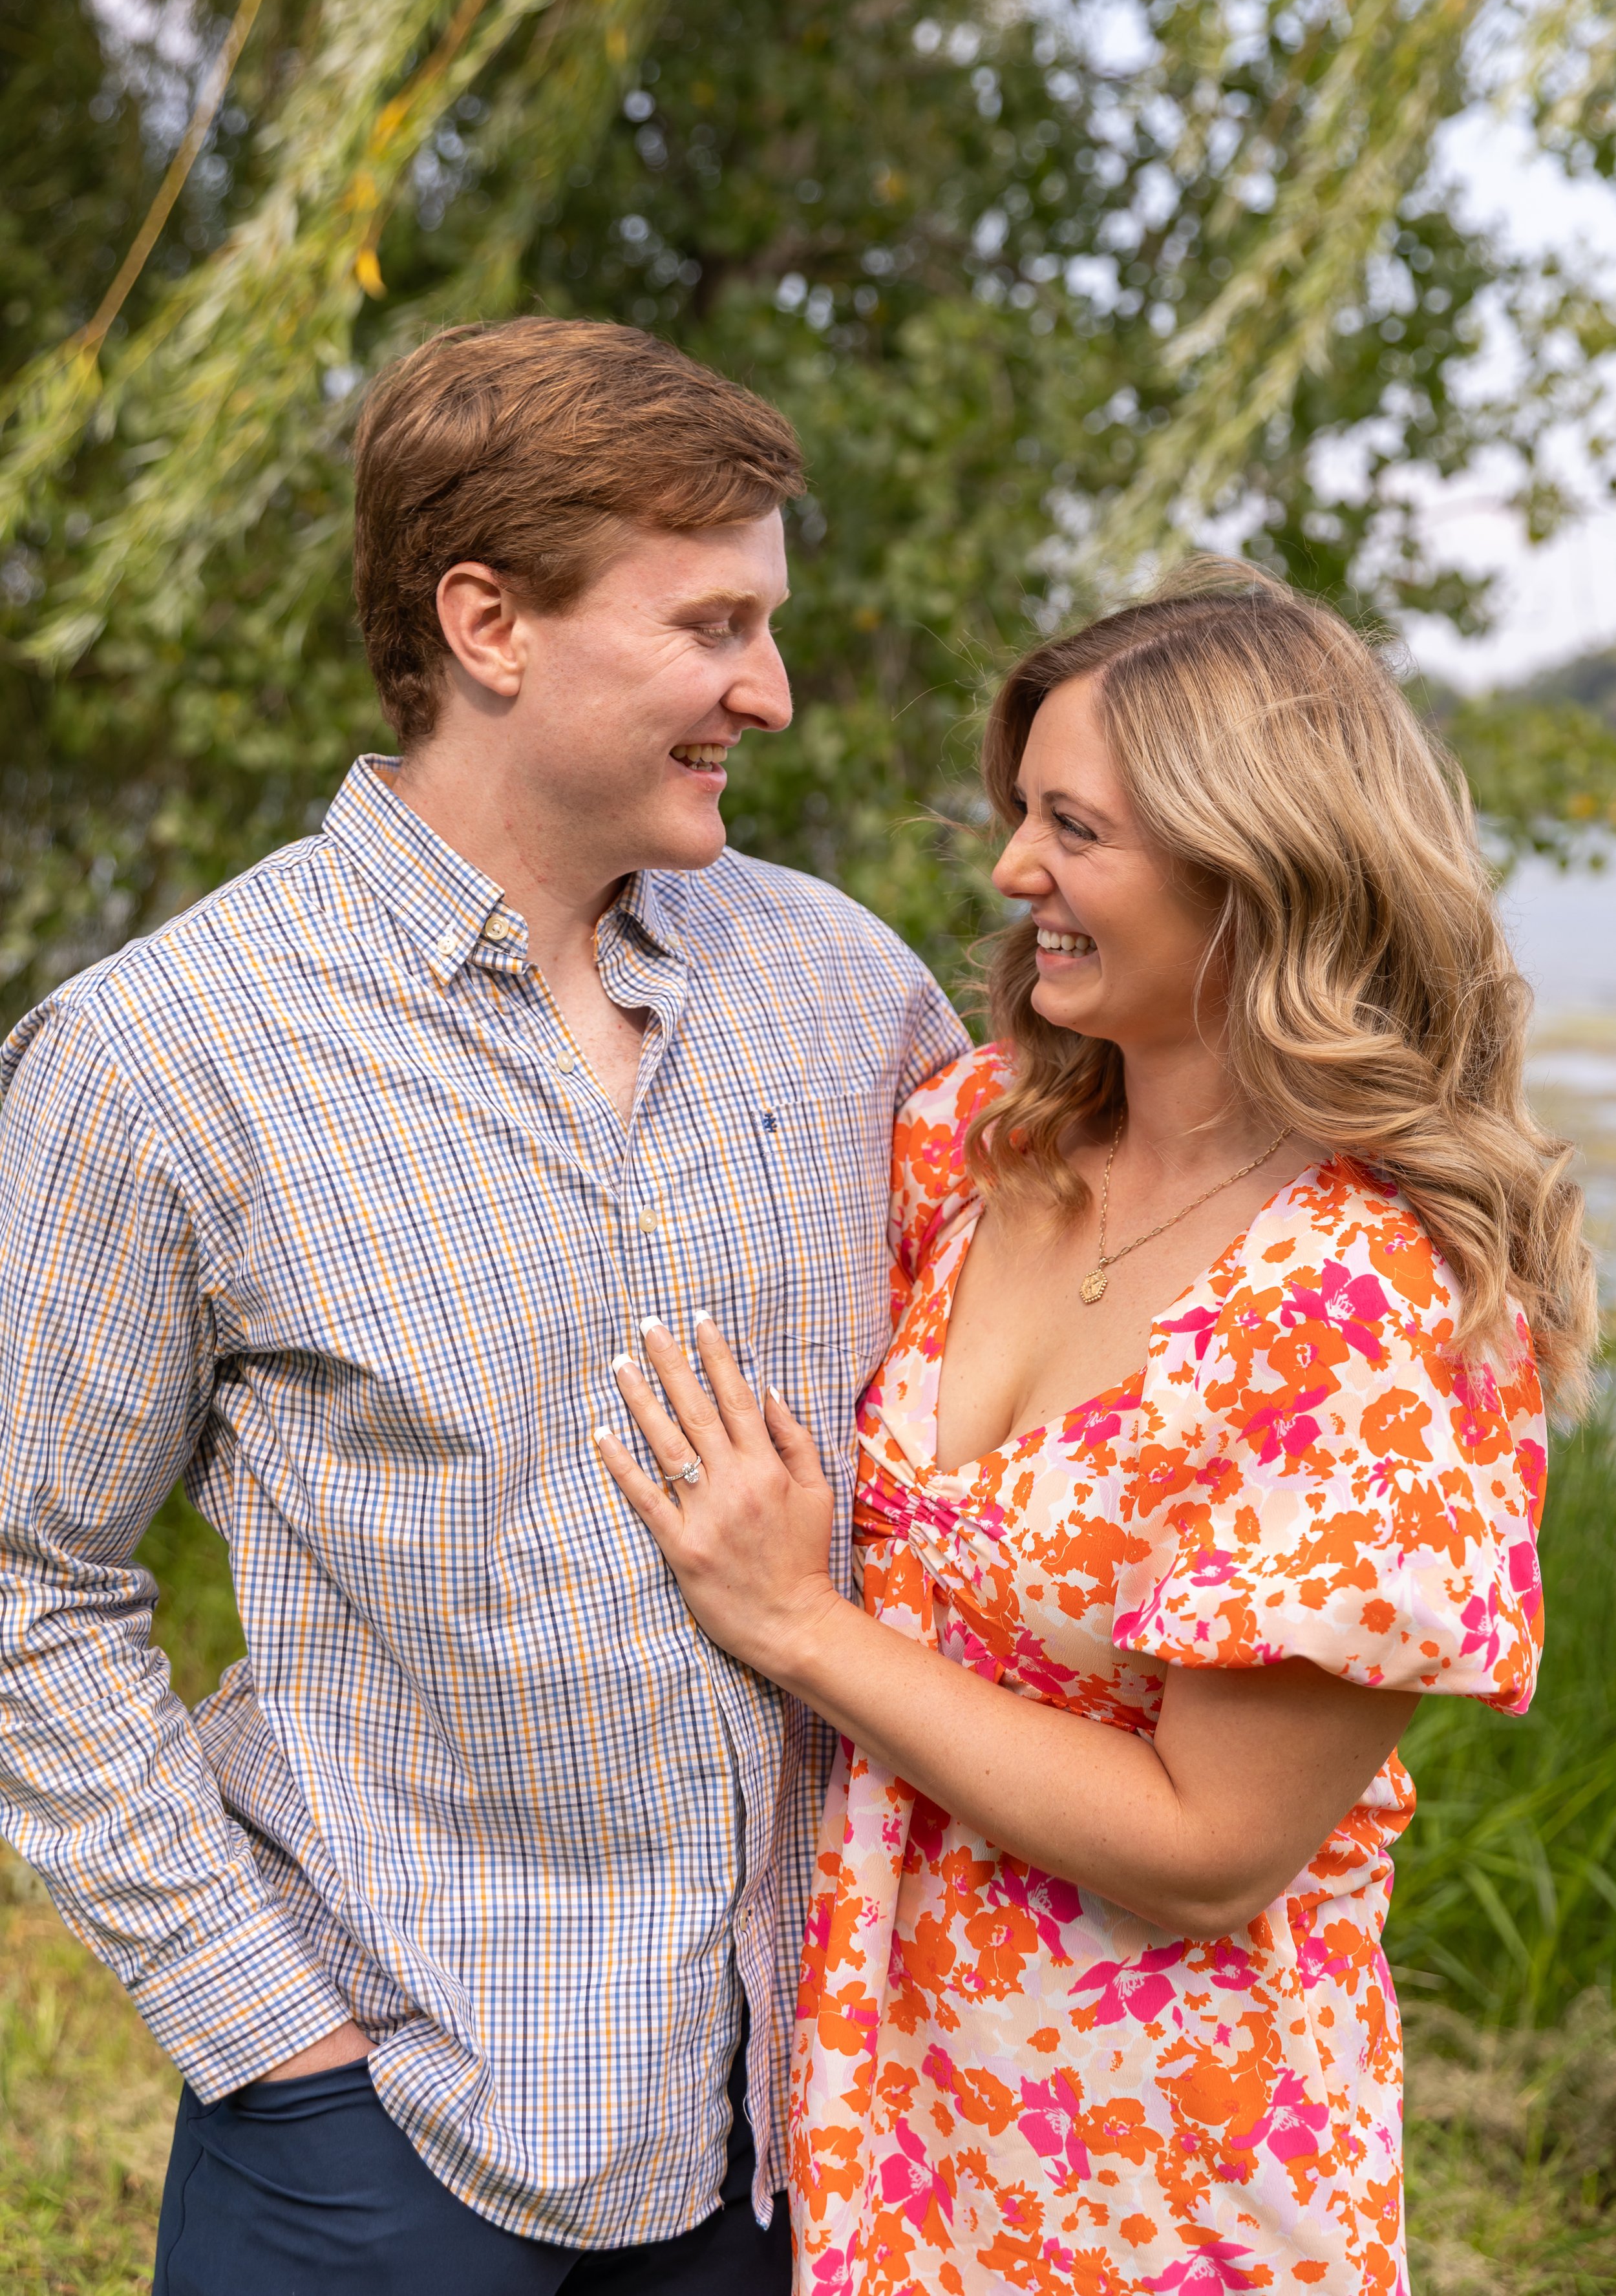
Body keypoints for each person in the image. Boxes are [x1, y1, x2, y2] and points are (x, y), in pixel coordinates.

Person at [0, 317, 968, 2293]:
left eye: (766, 626)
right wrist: (274, 2043)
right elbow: (27, 1576)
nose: (767, 693)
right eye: (711, 624)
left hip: (800, 2128)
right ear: (487, 623)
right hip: (383, 2137)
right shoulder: (163, 1055)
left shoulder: (848, 992)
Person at [594, 560, 1595, 2295]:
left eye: (1073, 828)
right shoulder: (976, 1143)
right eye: (1017, 813)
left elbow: (1211, 1850)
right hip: (873, 2095)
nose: (1009, 873)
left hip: (1160, 2167)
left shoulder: (1366, 1305)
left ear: (1253, 865)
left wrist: (791, 1626)